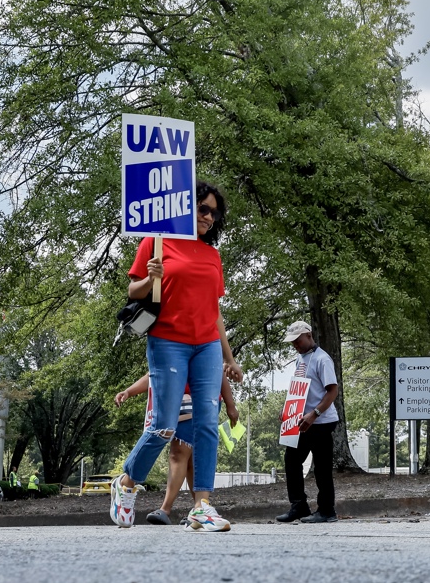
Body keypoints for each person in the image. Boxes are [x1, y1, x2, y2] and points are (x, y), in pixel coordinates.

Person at [111, 181, 243, 531]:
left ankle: (202, 506)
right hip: (168, 340)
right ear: (186, 208)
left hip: (207, 346)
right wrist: (152, 276)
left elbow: (213, 311)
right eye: (203, 209)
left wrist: (229, 357)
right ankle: (126, 483)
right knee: (165, 426)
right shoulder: (157, 242)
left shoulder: (212, 255)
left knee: (206, 426)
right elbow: (133, 290)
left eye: (214, 212)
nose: (209, 217)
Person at [114, 372, 239, 525]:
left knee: (188, 455)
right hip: (180, 400)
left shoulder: (208, 351)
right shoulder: (172, 351)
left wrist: (230, 404)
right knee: (181, 452)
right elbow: (155, 374)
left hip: (207, 399)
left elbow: (217, 370)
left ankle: (185, 508)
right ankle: (192, 508)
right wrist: (129, 391)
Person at [275, 320, 340, 524]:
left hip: (321, 421)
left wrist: (315, 413)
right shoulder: (299, 359)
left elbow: (333, 391)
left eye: (298, 340)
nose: (295, 345)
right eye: (292, 342)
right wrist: (288, 410)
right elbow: (299, 389)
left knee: (322, 467)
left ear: (309, 336)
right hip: (301, 421)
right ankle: (299, 506)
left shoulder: (322, 359)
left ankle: (327, 511)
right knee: (292, 461)